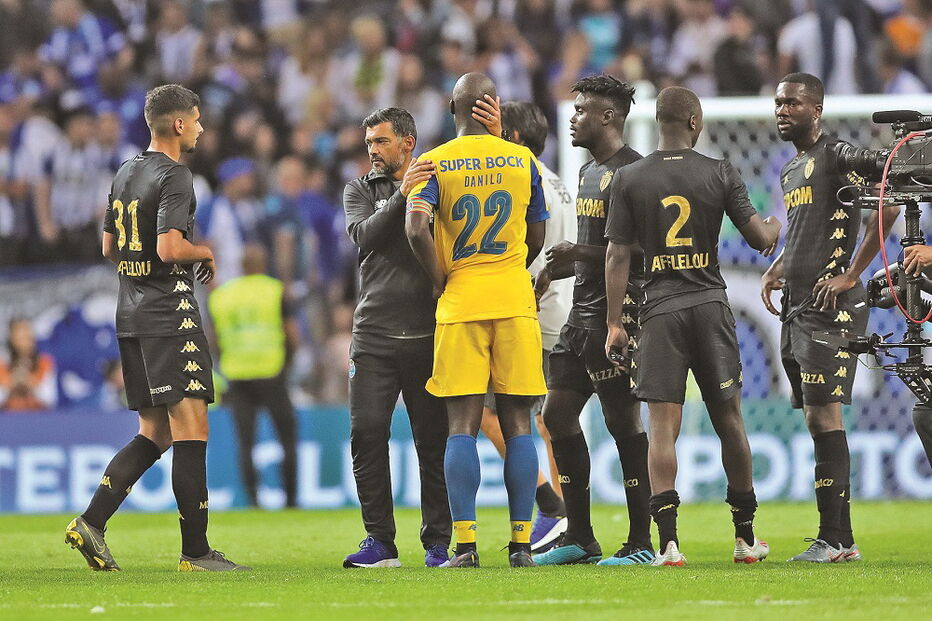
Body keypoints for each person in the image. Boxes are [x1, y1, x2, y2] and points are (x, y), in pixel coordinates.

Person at [64, 84, 248, 572]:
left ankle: (91, 522)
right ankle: (196, 552)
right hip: (170, 314)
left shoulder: (125, 172)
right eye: (198, 119)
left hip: (130, 314)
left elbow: (109, 248)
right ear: (180, 124)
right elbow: (169, 249)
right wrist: (204, 251)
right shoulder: (176, 176)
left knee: (156, 430)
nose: (202, 128)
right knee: (192, 427)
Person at [605, 86, 782, 566]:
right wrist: (776, 224)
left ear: (659, 123)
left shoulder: (629, 178)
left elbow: (618, 253)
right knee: (730, 420)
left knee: (662, 429)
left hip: (659, 309)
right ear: (695, 122)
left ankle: (668, 545)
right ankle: (745, 539)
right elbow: (761, 239)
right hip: (708, 305)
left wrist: (613, 323)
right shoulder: (718, 171)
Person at [406, 72, 548, 568]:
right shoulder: (523, 159)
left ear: (452, 106)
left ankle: (465, 545)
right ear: (494, 107)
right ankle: (522, 545)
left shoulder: (432, 164)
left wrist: (440, 276)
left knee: (461, 427)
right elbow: (538, 234)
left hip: (461, 301)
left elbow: (416, 224)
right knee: (519, 426)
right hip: (513, 298)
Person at [762, 73, 900, 563]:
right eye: (779, 103)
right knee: (816, 420)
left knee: (826, 417)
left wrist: (852, 273)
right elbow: (804, 227)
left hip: (831, 307)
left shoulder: (838, 155)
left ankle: (838, 538)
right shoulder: (792, 168)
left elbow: (889, 197)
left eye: (793, 103)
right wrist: (778, 267)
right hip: (799, 305)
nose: (783, 110)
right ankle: (834, 537)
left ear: (816, 109)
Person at [531, 74, 652, 567]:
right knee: (555, 416)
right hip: (578, 321)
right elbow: (599, 250)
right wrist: (565, 263)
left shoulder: (636, 173)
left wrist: (578, 251)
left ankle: (642, 542)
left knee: (623, 424)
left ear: (608, 116)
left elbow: (647, 250)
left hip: (614, 319)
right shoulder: (587, 172)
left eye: (581, 110)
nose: (573, 118)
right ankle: (580, 536)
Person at [341, 107, 452, 568]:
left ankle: (439, 543)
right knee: (367, 434)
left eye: (381, 141)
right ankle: (380, 542)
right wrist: (400, 197)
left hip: (428, 333)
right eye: (369, 142)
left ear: (408, 142)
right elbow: (363, 236)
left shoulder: (441, 182)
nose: (372, 150)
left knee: (433, 441)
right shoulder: (359, 189)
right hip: (374, 334)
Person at [476, 100, 573, 554]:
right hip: (563, 313)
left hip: (534, 313)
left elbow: (527, 251)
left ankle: (553, 507)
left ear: (512, 137)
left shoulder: (521, 179)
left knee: (497, 412)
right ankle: (559, 511)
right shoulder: (558, 182)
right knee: (550, 420)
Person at [208, 244, 300, 509]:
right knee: (287, 436)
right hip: (272, 371)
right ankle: (291, 501)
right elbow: (292, 334)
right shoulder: (275, 290)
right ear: (263, 264)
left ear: (241, 266)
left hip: (237, 373)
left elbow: (213, 339)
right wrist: (287, 362)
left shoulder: (223, 295)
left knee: (245, 441)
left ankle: (253, 501)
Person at [0, 318, 57, 411]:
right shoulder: (3, 363)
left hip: (36, 418)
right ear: (11, 339)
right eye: (19, 338)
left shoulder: (44, 362)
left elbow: (50, 399)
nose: (24, 342)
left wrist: (30, 382)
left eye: (27, 337)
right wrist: (12, 383)